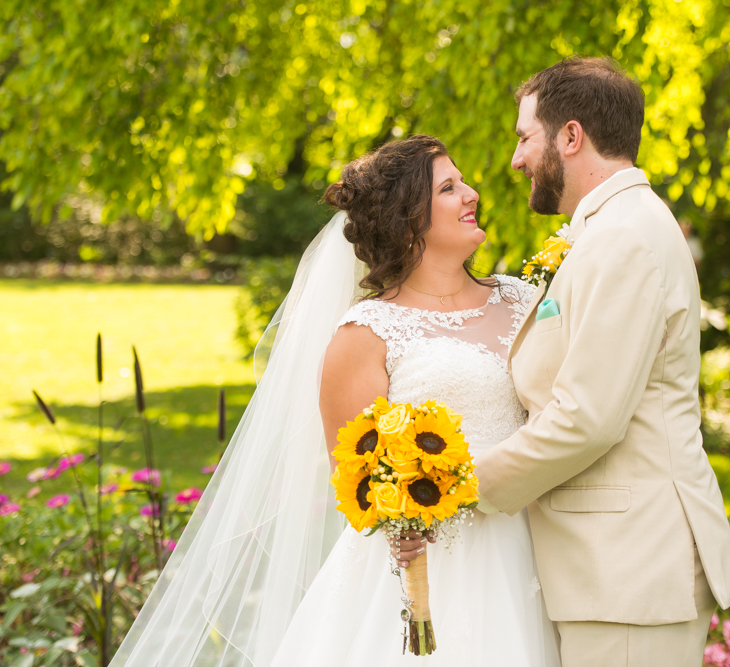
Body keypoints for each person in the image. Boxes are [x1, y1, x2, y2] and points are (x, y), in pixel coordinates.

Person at [110, 135, 559, 666]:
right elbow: (358, 479)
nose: (472, 194)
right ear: (408, 219)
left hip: (540, 548)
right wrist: (402, 524)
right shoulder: (365, 335)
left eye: (461, 182)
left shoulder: (524, 300)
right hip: (433, 569)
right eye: (449, 187)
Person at [469, 57, 730, 667]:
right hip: (611, 568)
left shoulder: (623, 237)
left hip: (630, 571)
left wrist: (460, 485)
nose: (515, 159)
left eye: (523, 137)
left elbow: (587, 418)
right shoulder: (611, 226)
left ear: (571, 135)